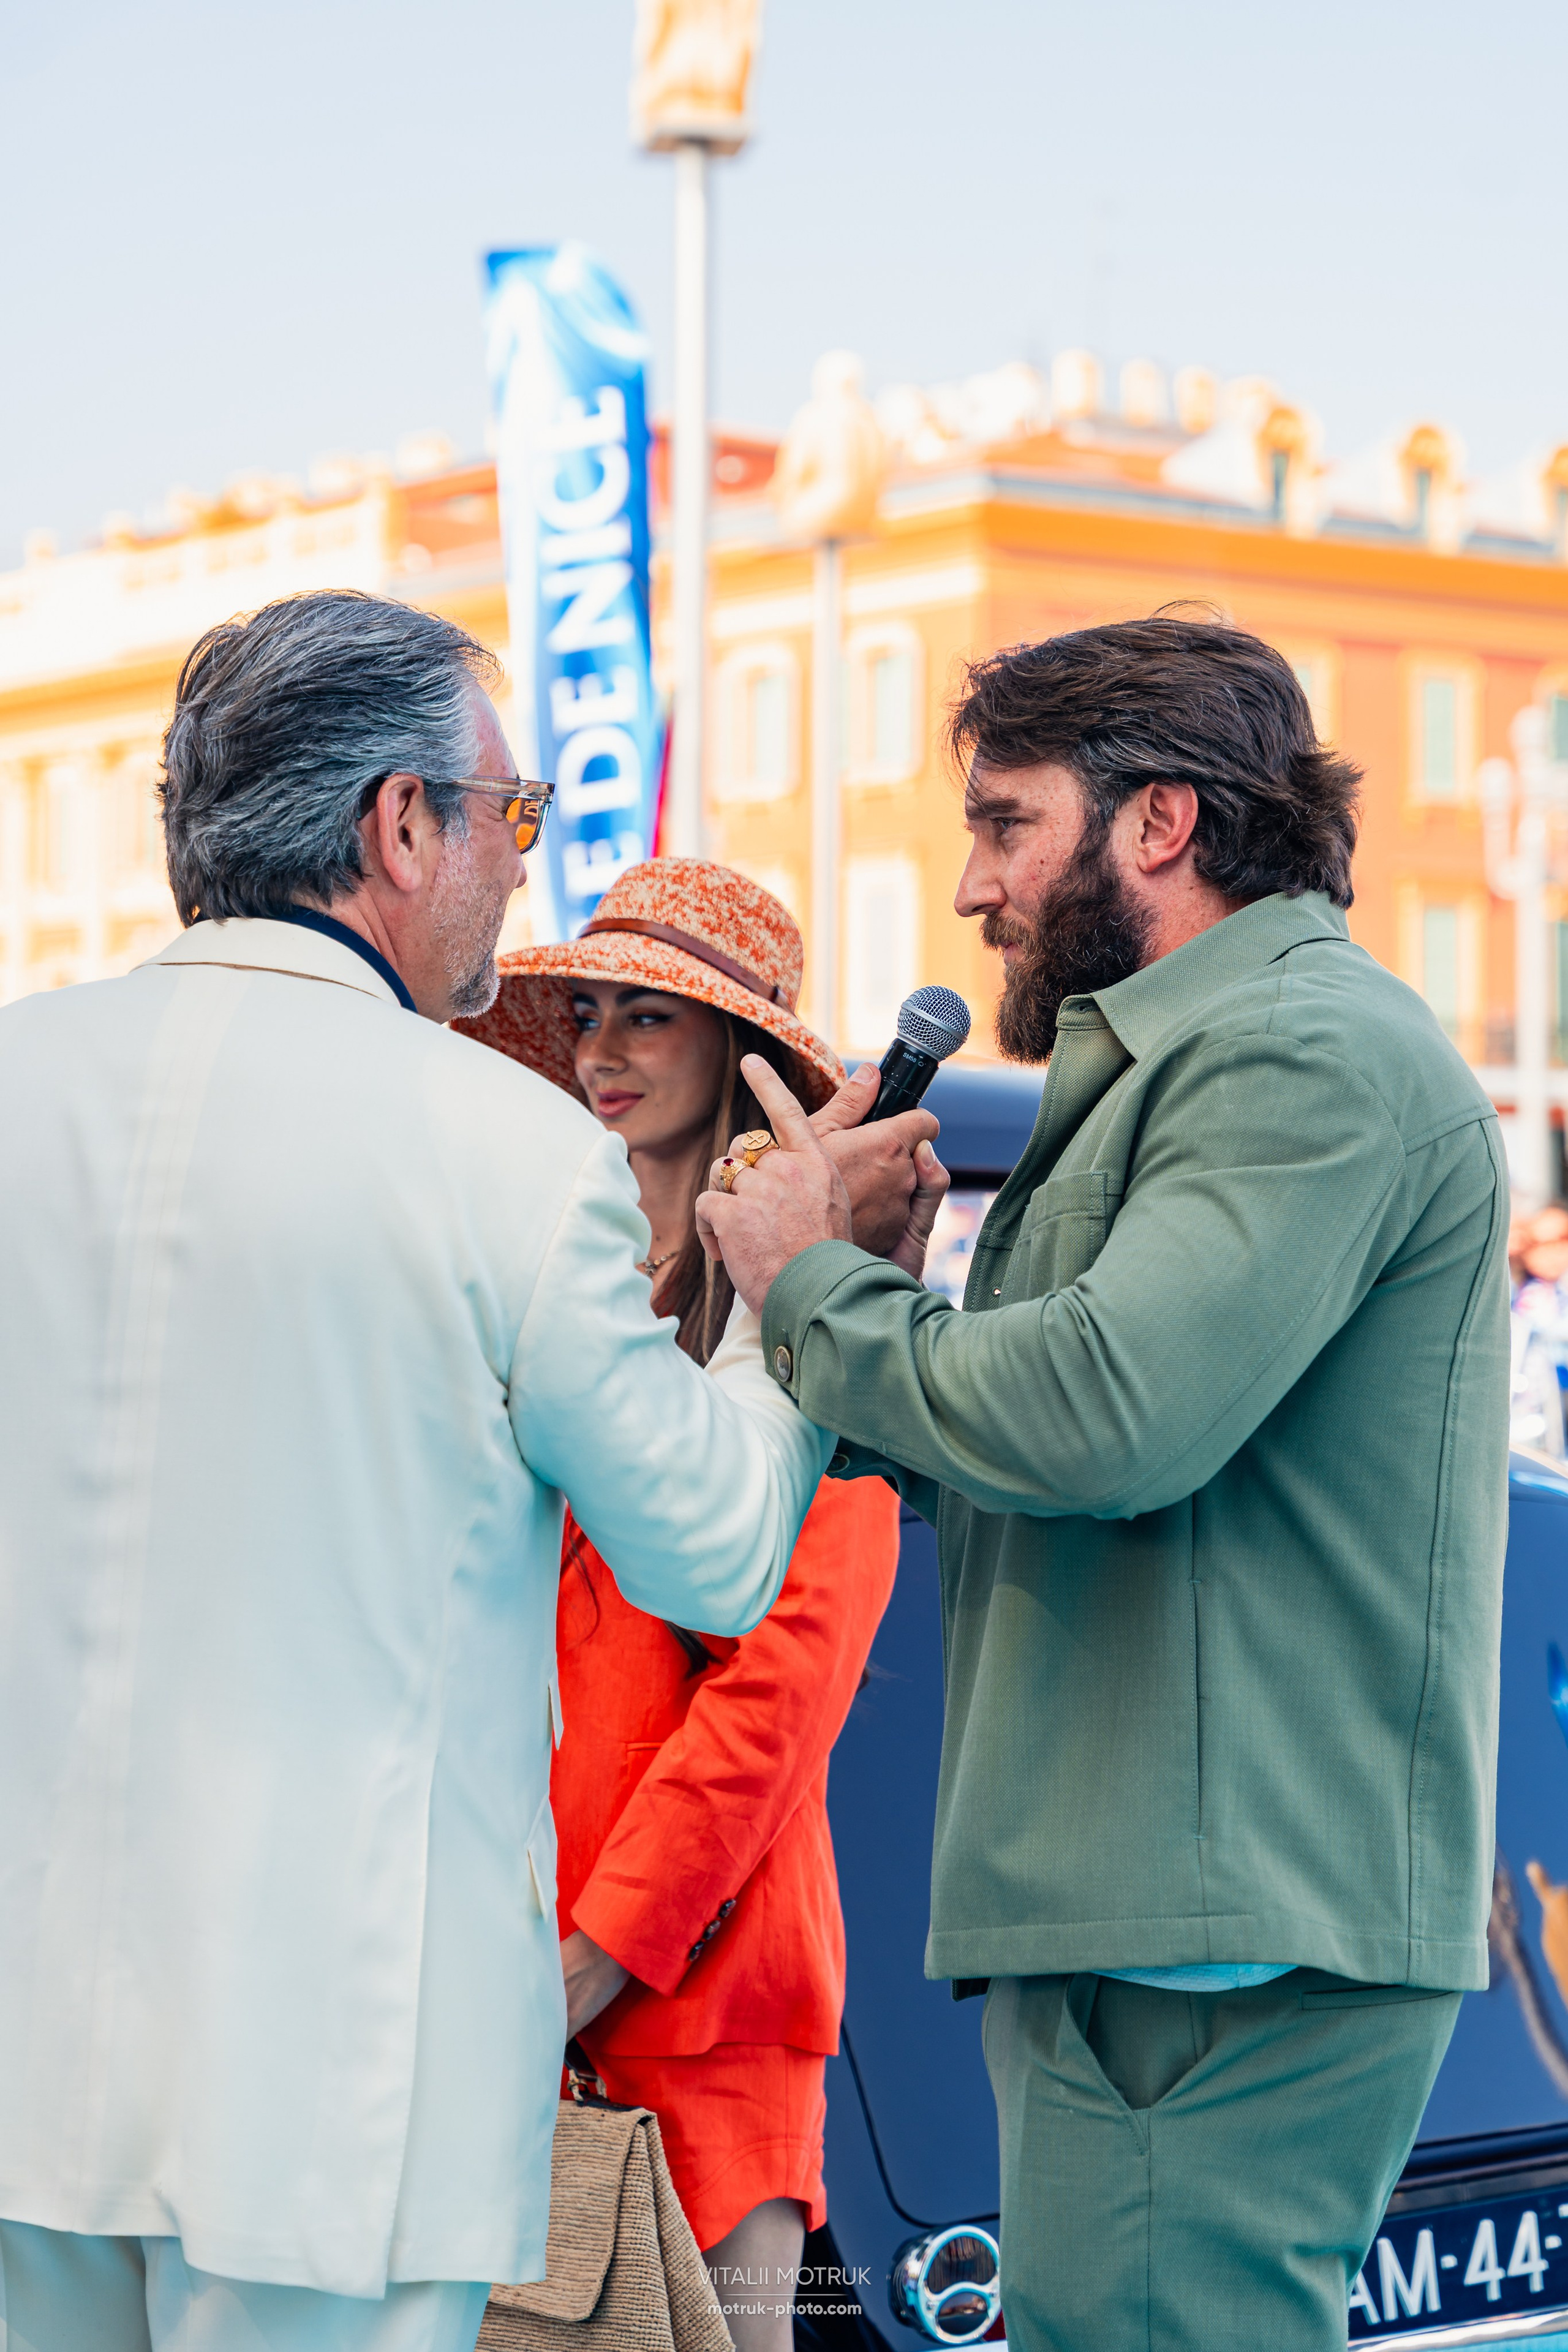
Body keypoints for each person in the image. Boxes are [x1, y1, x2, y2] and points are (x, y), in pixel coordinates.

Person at [0, 590, 932, 2352]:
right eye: (514, 818)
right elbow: (723, 1549)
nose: (520, 865)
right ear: (399, 824)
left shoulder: (18, 1077)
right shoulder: (497, 1148)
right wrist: (791, 1296)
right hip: (336, 2078)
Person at [696, 615, 1510, 2352]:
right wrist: (876, 1303)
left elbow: (1105, 1414)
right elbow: (1060, 1454)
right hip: (1165, 1906)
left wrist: (812, 1288)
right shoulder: (1217, 1050)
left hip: (1206, 1933)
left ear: (1160, 825)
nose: (975, 887)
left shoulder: (1303, 1052)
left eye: (1005, 823)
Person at [459, 859, 902, 2352]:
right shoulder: (551, 1284)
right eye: (586, 1012)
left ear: (737, 1052)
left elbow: (783, 1688)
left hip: (697, 1992)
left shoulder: (821, 1313)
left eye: (648, 1017)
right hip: (503, 1962)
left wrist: (600, 1946)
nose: (598, 1050)